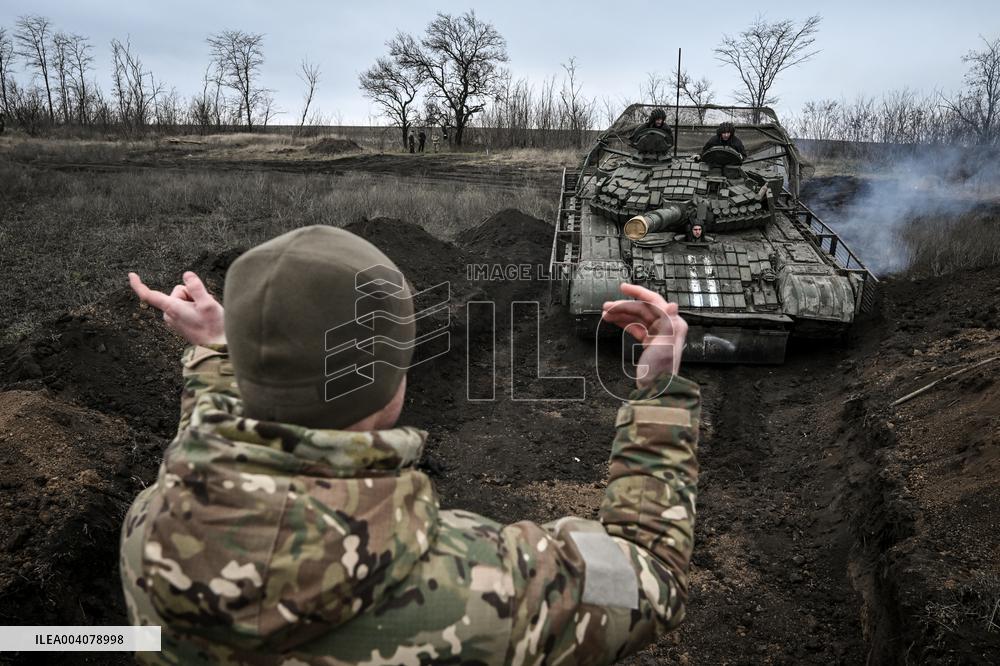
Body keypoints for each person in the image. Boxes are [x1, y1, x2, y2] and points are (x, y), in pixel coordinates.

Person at [121, 226, 700, 665]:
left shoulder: (147, 529)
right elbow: (649, 572)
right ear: (392, 379)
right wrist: (661, 389)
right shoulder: (493, 586)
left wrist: (222, 351)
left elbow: (213, 446)